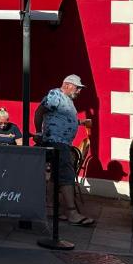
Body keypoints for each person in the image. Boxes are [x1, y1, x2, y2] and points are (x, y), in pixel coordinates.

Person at [38, 74, 94, 226]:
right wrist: (38, 133)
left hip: (62, 142)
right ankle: (72, 212)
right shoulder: (56, 94)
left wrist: (81, 122)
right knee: (67, 174)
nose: (79, 91)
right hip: (57, 142)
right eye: (78, 88)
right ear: (68, 85)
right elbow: (40, 111)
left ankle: (49, 208)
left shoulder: (68, 101)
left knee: (56, 176)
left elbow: (64, 119)